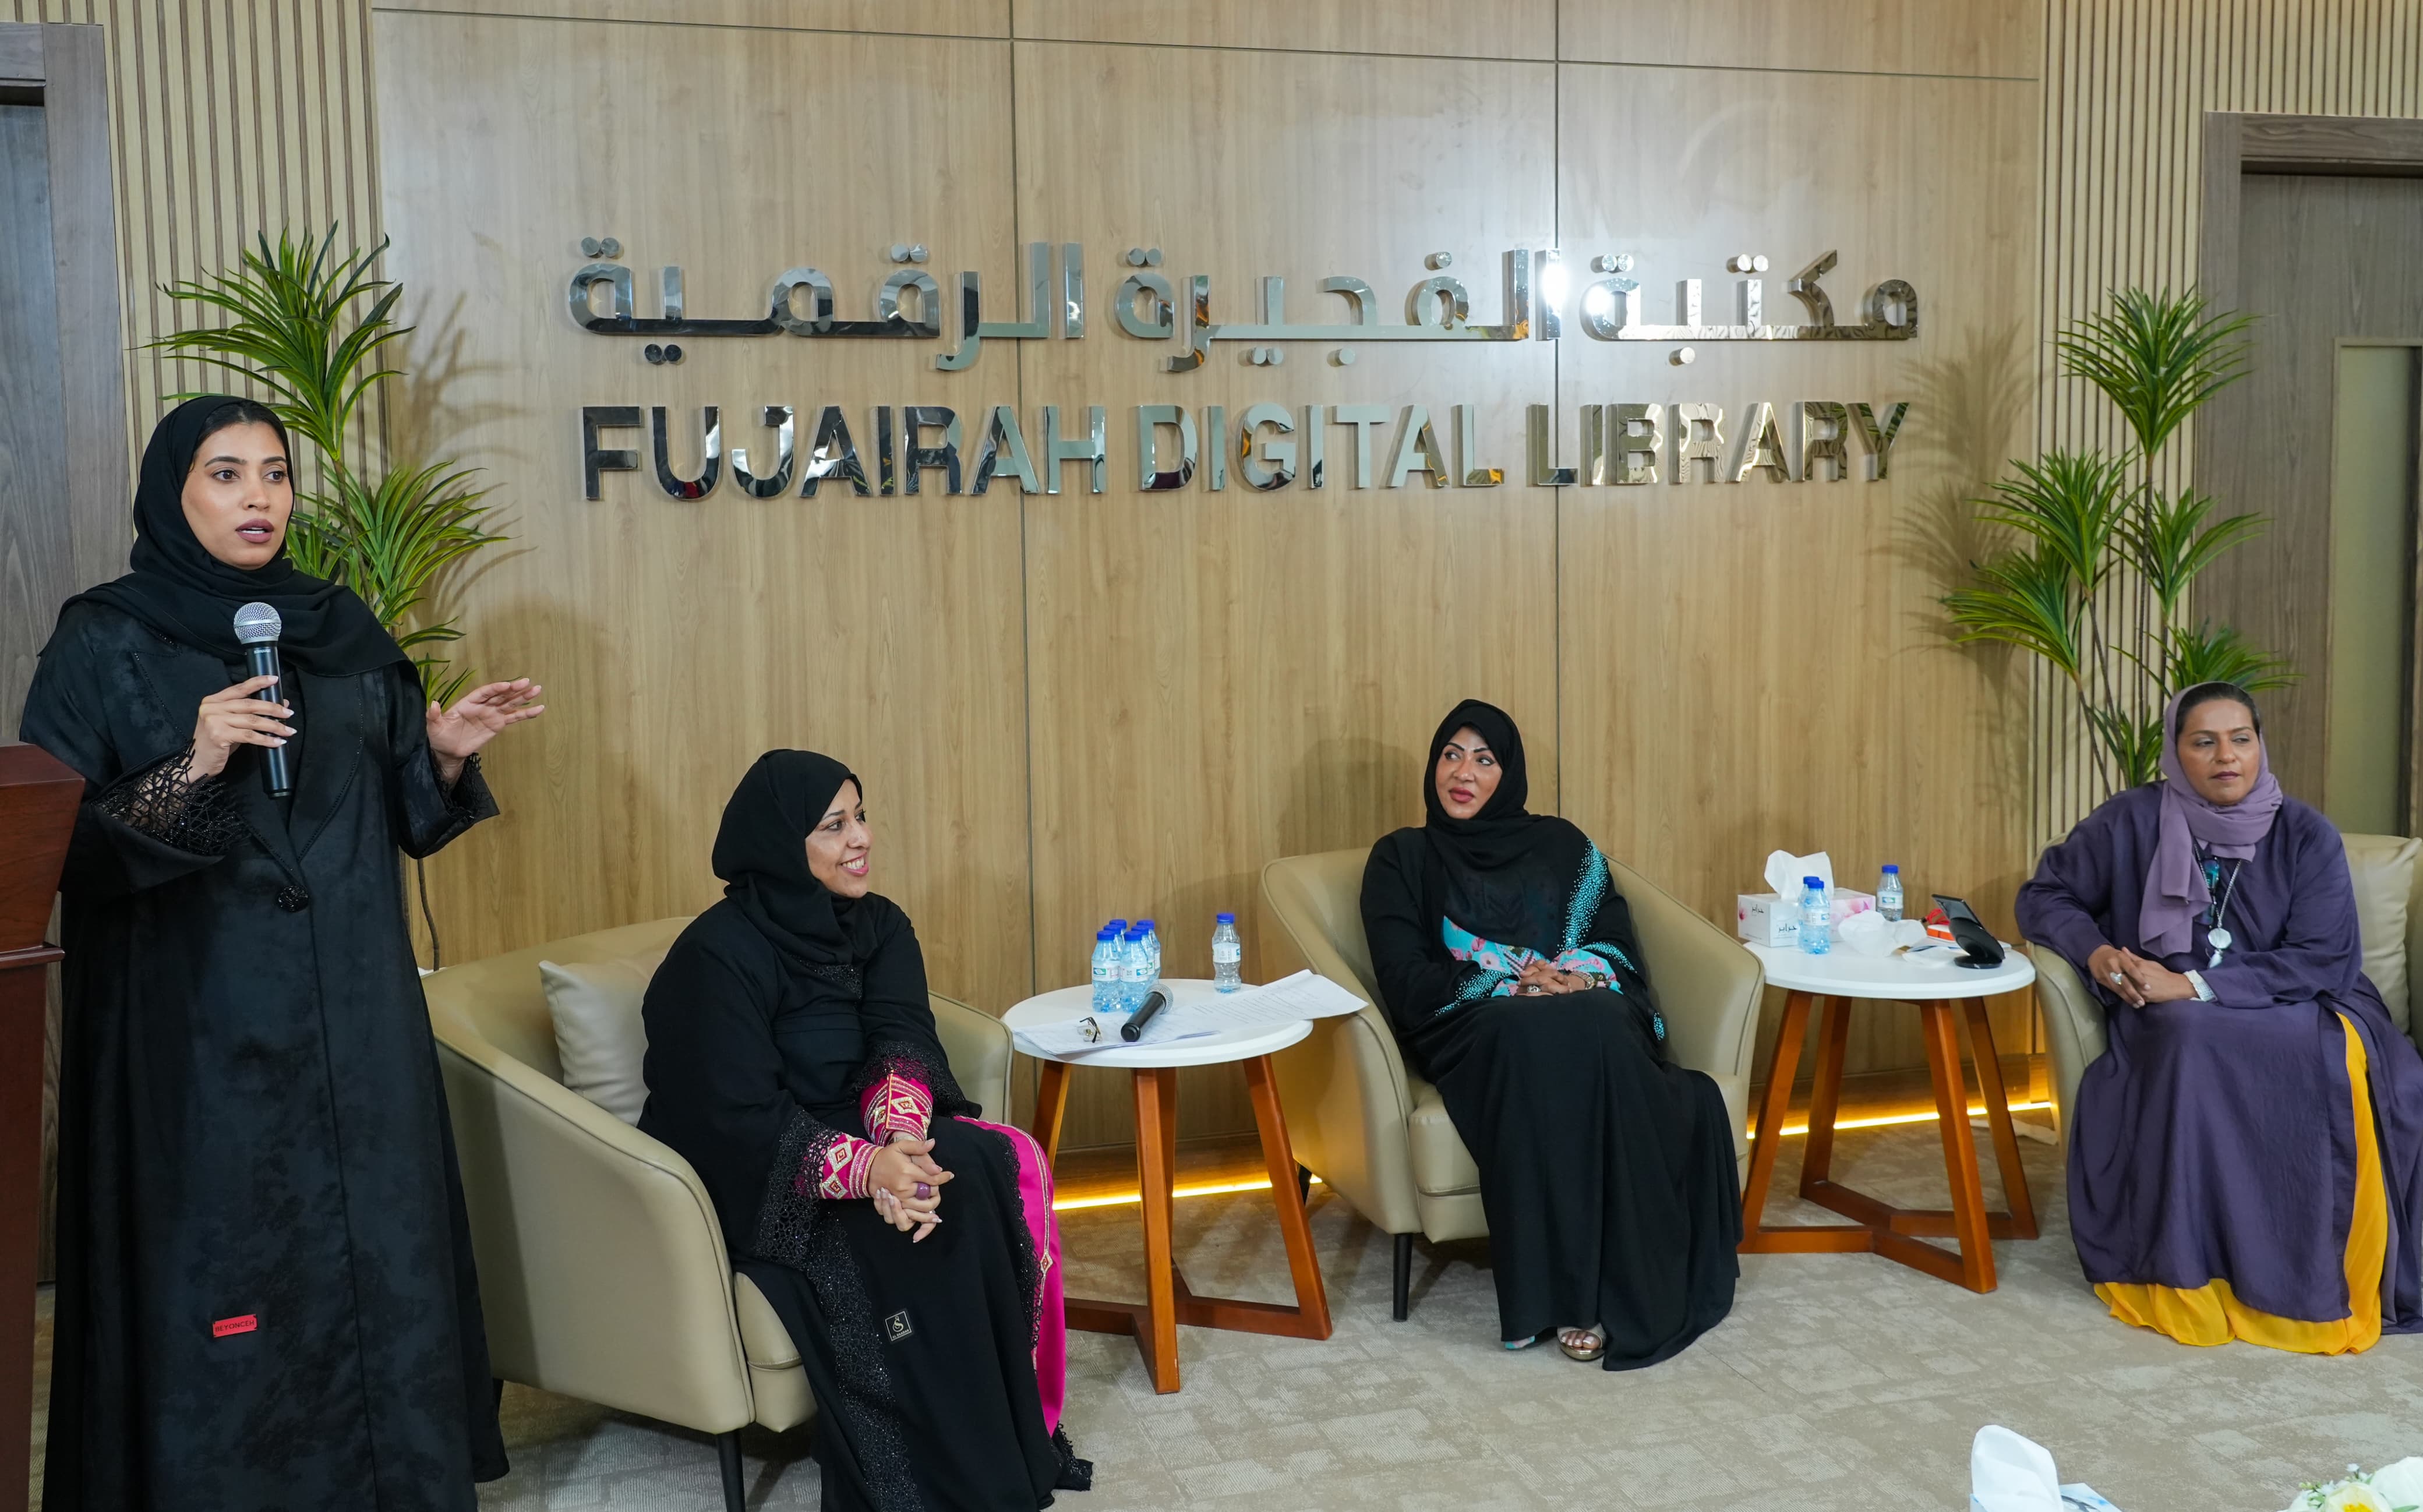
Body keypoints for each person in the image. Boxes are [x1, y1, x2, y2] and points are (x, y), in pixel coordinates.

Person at [19, 395, 545, 1507]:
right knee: (230, 1285)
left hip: (356, 1034)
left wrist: (445, 755)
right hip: (200, 1040)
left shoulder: (340, 629)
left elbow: (404, 817)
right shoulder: (102, 640)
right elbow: (60, 850)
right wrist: (197, 761)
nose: (259, 497)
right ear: (173, 494)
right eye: (226, 474)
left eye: (274, 473)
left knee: (370, 1270)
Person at [638, 750, 1086, 1511]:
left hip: (861, 1123)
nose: (861, 838)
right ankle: (915, 1479)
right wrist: (867, 1171)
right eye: (833, 825)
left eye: (862, 816)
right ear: (782, 844)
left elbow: (899, 1038)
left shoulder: (879, 925)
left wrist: (901, 1146)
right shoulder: (715, 956)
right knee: (885, 1231)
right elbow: (731, 1114)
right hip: (755, 1162)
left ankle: (1000, 1444)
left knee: (969, 1166)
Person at [2017, 681, 2423, 1351]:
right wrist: (2095, 953)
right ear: (2175, 752)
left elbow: (2320, 959)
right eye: (2202, 742)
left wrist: (2192, 984)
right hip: (2165, 1011)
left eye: (2240, 739)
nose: (2225, 756)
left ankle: (2304, 1279)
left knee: (2285, 1048)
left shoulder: (2304, 834)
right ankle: (2190, 1272)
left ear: (2259, 745)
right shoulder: (2129, 820)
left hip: (2298, 1001)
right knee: (2181, 1034)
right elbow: (2044, 895)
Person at [1359, 699, 1741, 1367]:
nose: (1463, 773)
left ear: (1508, 773)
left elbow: (1611, 934)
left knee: (1593, 1019)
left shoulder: (1563, 845)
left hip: (1578, 998)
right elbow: (1403, 974)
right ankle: (1564, 1296)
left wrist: (1575, 977)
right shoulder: (1401, 858)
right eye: (1451, 754)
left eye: (1484, 759)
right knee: (1534, 1035)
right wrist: (1510, 985)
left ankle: (1608, 1285)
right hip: (1472, 1018)